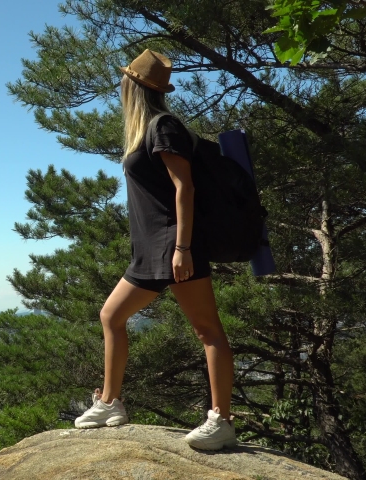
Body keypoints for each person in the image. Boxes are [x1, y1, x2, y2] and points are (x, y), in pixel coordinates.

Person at [73, 49, 237, 451]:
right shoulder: (146, 128)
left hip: (173, 243)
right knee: (111, 315)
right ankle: (110, 403)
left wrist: (182, 247)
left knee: (208, 330)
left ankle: (222, 420)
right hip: (152, 248)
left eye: (124, 80)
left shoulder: (163, 127)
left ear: (133, 86)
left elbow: (185, 187)